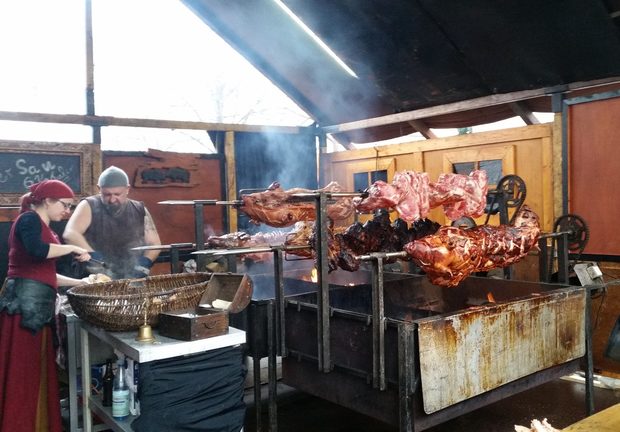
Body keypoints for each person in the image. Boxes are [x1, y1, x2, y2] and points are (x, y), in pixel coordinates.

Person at [0, 179, 91, 432]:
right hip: (23, 307)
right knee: (23, 369)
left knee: (34, 368)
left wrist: (82, 282)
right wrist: (72, 247)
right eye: (65, 205)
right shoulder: (28, 220)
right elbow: (38, 251)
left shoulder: (44, 226)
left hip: (36, 306)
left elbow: (43, 272)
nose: (68, 211)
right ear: (48, 200)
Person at [63, 166, 161, 280]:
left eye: (117, 194)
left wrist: (144, 263)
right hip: (94, 277)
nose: (112, 199)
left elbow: (154, 244)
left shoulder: (139, 209)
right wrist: (94, 257)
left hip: (130, 274)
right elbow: (70, 233)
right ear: (99, 189)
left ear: (127, 189)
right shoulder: (89, 205)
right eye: (107, 194)